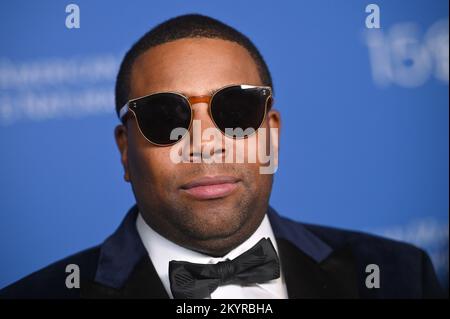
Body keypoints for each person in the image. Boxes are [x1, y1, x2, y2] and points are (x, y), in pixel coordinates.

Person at [0, 14, 444, 299]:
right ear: (124, 150)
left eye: (236, 110)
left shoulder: (398, 276)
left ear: (271, 134)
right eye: (164, 116)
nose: (205, 143)